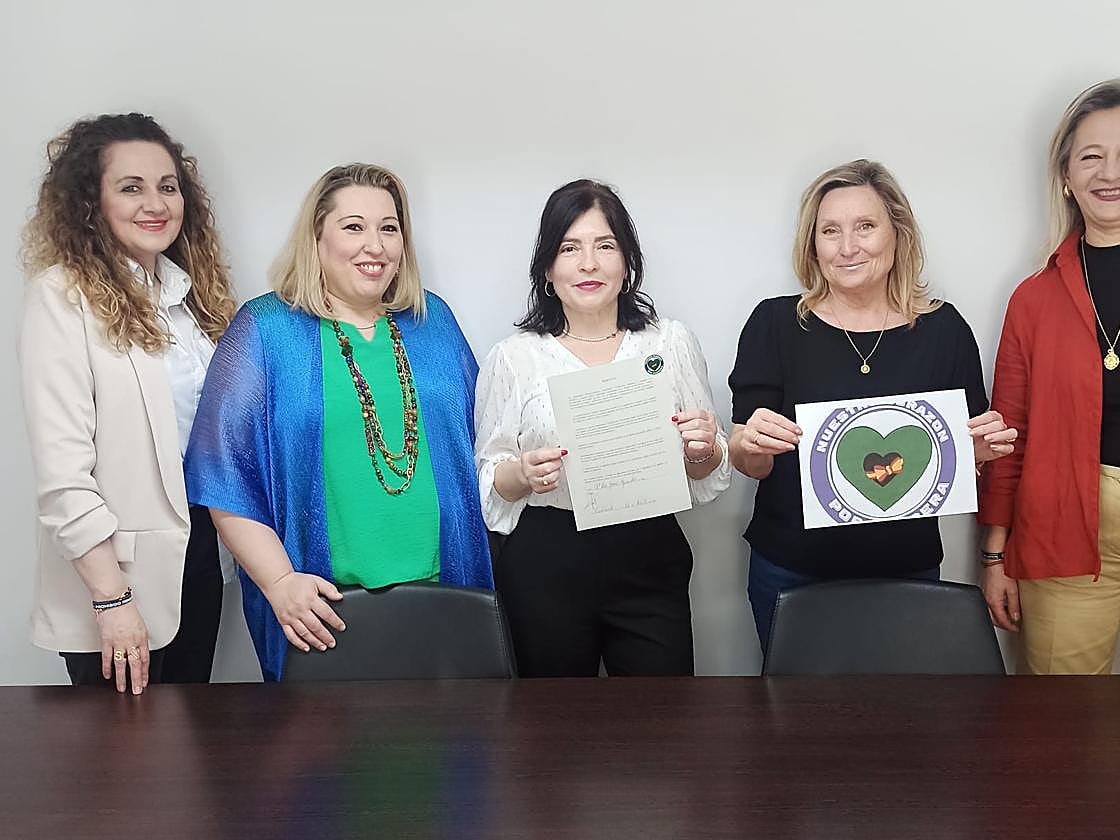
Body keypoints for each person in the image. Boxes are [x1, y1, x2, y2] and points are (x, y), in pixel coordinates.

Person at [184, 163, 492, 681]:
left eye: (388, 228)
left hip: (449, 594)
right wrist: (280, 583)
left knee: (451, 755)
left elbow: (483, 440)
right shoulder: (265, 329)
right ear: (317, 237)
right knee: (332, 763)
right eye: (354, 227)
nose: (375, 245)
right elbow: (224, 478)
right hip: (322, 607)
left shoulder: (432, 320)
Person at [728, 159, 1017, 651]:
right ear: (812, 245)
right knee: (796, 720)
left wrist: (979, 454)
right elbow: (749, 461)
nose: (847, 247)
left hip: (908, 570)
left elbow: (957, 464)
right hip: (791, 571)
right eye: (830, 231)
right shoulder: (774, 324)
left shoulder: (944, 330)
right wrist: (747, 444)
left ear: (897, 233)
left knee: (901, 717)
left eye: (865, 226)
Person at [979, 79, 1120, 674]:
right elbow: (1009, 435)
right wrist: (995, 555)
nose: (1111, 172)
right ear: (1067, 177)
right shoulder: (1033, 299)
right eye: (1090, 156)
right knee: (1063, 722)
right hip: (1062, 524)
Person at [475, 179, 730, 677]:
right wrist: (523, 474)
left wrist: (704, 450)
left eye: (604, 246)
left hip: (648, 553)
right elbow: (490, 478)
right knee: (553, 728)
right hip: (547, 557)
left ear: (627, 262)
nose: (588, 264)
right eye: (570, 248)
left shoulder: (670, 344)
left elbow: (706, 474)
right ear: (548, 268)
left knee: (664, 722)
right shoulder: (515, 357)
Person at [19, 113, 236, 693]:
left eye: (168, 187)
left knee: (189, 763)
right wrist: (111, 597)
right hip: (113, 578)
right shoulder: (62, 297)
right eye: (131, 187)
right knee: (125, 772)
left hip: (197, 556)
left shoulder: (195, 300)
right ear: (91, 203)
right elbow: (64, 475)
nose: (155, 203)